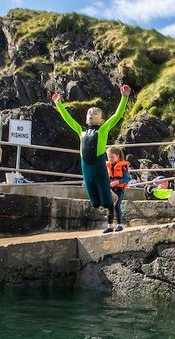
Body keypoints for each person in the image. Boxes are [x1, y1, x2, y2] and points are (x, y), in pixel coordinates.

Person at [52, 84, 131, 234]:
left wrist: (124, 97)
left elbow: (117, 115)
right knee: (95, 203)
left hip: (98, 166)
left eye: (95, 112)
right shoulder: (80, 130)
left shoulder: (103, 129)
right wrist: (58, 104)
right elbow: (68, 119)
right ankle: (113, 201)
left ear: (101, 120)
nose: (91, 113)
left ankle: (115, 216)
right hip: (86, 168)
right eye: (89, 112)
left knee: (107, 202)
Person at [105, 146, 130, 232]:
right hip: (111, 189)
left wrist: (117, 182)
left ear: (118, 157)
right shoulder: (108, 166)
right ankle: (110, 226)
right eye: (108, 157)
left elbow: (127, 178)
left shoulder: (122, 167)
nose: (110, 159)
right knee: (110, 206)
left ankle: (119, 225)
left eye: (112, 157)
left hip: (119, 189)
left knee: (117, 206)